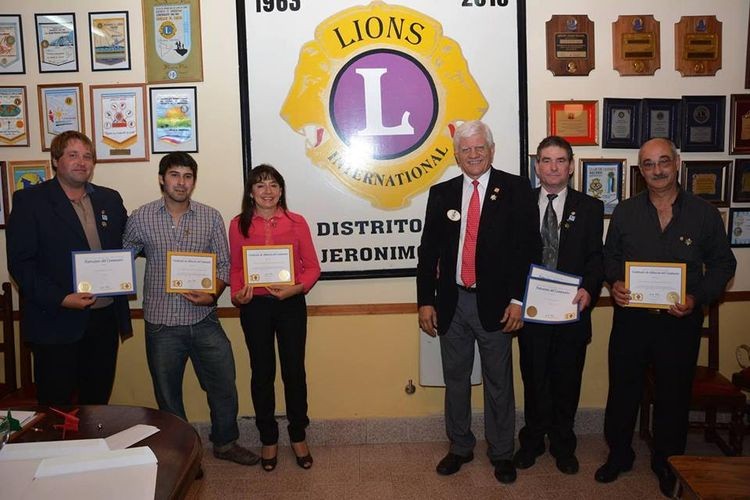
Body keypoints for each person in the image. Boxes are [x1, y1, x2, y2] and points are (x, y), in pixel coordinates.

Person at [595, 138, 736, 496]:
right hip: (632, 320)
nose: (657, 170)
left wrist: (696, 298)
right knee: (623, 389)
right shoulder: (625, 212)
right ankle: (619, 455)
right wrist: (616, 282)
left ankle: (667, 462)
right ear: (640, 171)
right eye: (648, 164)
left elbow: (723, 265)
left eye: (663, 162)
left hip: (679, 321)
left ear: (677, 163)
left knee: (674, 395)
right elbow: (609, 256)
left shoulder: (704, 213)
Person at [416, 120, 542, 484]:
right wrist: (425, 301)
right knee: (455, 379)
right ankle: (460, 446)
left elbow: (529, 250)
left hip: (497, 305)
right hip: (452, 302)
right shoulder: (442, 193)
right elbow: (428, 252)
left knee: (498, 381)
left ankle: (501, 451)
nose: (473, 155)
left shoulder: (516, 189)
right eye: (466, 150)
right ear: (456, 155)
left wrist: (519, 300)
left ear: (492, 150)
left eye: (479, 148)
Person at [123, 152, 258, 466]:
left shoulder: (210, 217)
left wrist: (212, 294)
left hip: (203, 319)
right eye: (174, 175)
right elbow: (122, 258)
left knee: (223, 384)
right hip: (161, 323)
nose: (181, 183)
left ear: (194, 181)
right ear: (162, 179)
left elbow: (224, 265)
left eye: (187, 176)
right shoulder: (141, 217)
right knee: (168, 394)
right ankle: (184, 455)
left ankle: (225, 443)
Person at [6, 131, 132, 405]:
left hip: (104, 318)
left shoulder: (109, 199)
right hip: (55, 320)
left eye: (87, 156)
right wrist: (62, 298)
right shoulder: (30, 201)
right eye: (73, 155)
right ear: (55, 160)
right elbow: (21, 264)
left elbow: (130, 242)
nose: (81, 162)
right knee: (56, 406)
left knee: (96, 403)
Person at [514, 136, 604, 475]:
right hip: (532, 312)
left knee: (567, 382)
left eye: (560, 160)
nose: (553, 167)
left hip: (571, 312)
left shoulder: (590, 207)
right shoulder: (520, 203)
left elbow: (596, 257)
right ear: (537, 166)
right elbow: (510, 255)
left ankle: (564, 444)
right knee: (534, 379)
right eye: (546, 160)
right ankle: (533, 441)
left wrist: (590, 290)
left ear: (571, 166)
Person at [229, 164, 321, 472]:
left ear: (281, 191)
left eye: (273, 185)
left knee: (294, 371)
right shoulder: (238, 224)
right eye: (260, 185)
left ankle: (298, 435)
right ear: (251, 192)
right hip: (255, 307)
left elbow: (312, 267)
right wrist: (238, 294)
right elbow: (236, 268)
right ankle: (268, 438)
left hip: (290, 304)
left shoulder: (297, 222)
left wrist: (296, 288)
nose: (267, 191)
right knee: (262, 372)